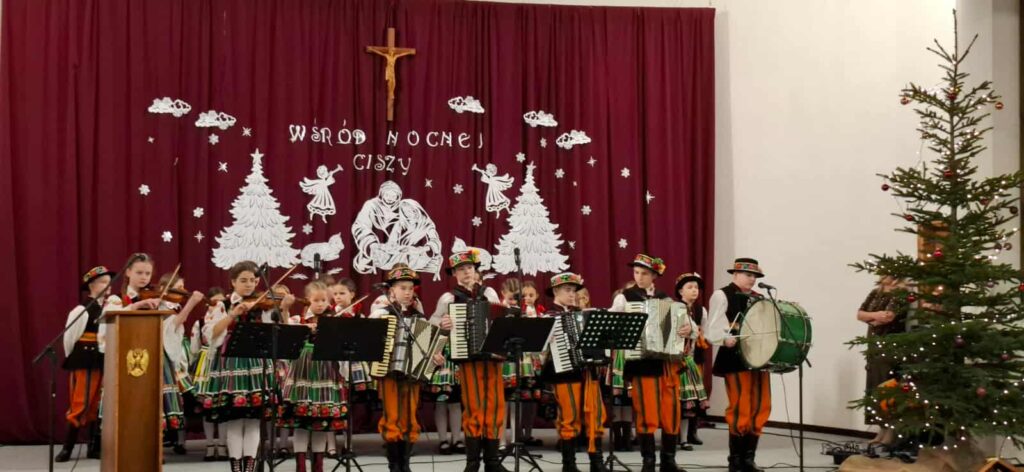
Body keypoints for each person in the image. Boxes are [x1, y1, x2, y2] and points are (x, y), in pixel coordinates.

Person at [195, 260, 295, 472]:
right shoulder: (222, 305)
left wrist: (285, 309)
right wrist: (233, 314)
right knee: (234, 420)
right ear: (233, 282)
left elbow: (282, 331)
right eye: (243, 280)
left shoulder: (263, 304)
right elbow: (210, 334)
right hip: (230, 364)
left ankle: (249, 467)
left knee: (253, 420)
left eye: (252, 280)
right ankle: (236, 467)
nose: (249, 284)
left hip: (257, 364)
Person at [609, 254, 691, 472]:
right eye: (636, 272)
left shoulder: (667, 300)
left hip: (667, 364)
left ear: (654, 275)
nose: (639, 277)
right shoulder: (625, 298)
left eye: (644, 273)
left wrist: (688, 328)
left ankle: (668, 461)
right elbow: (611, 323)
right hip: (642, 363)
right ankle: (648, 462)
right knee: (646, 411)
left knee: (671, 411)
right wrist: (623, 331)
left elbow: (687, 325)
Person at [431, 250, 507, 472]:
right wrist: (442, 326)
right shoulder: (449, 298)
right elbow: (432, 323)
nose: (466, 272)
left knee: (494, 406)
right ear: (454, 273)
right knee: (473, 408)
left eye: (470, 268)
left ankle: (492, 462)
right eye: (461, 269)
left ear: (476, 271)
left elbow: (499, 320)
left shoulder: (489, 292)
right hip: (467, 359)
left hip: (492, 359)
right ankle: (472, 463)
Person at [542, 272, 609, 472]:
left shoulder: (581, 314)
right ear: (556, 291)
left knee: (596, 415)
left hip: (588, 372)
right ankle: (569, 465)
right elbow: (542, 347)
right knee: (569, 416)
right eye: (568, 290)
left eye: (574, 291)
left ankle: (596, 462)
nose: (573, 294)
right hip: (564, 372)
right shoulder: (549, 316)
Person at [706, 258, 769, 472]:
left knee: (761, 405)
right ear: (735, 274)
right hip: (735, 358)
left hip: (759, 359)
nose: (752, 279)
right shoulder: (722, 294)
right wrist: (724, 339)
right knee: (741, 405)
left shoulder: (760, 298)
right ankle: (735, 460)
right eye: (748, 275)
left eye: (754, 276)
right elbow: (713, 327)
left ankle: (748, 459)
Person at [280, 281, 348, 472]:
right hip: (302, 371)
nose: (320, 304)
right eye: (316, 300)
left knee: (321, 422)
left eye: (324, 300)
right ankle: (300, 466)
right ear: (307, 300)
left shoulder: (333, 319)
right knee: (301, 423)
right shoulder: (300, 319)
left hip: (325, 372)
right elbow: (286, 330)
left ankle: (318, 466)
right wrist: (285, 309)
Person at [856, 275, 907, 446]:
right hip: (874, 346)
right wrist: (876, 315)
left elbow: (889, 317)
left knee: (888, 387)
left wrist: (871, 317)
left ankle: (891, 431)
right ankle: (881, 429)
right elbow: (859, 314)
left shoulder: (900, 293)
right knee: (875, 387)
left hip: (890, 345)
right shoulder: (875, 293)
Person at [673, 273, 710, 451]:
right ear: (681, 291)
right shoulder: (674, 308)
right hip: (676, 360)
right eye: (690, 287)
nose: (694, 290)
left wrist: (696, 332)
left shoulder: (700, 310)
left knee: (690, 400)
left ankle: (687, 436)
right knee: (677, 399)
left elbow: (701, 333)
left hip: (692, 358)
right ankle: (673, 434)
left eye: (696, 287)